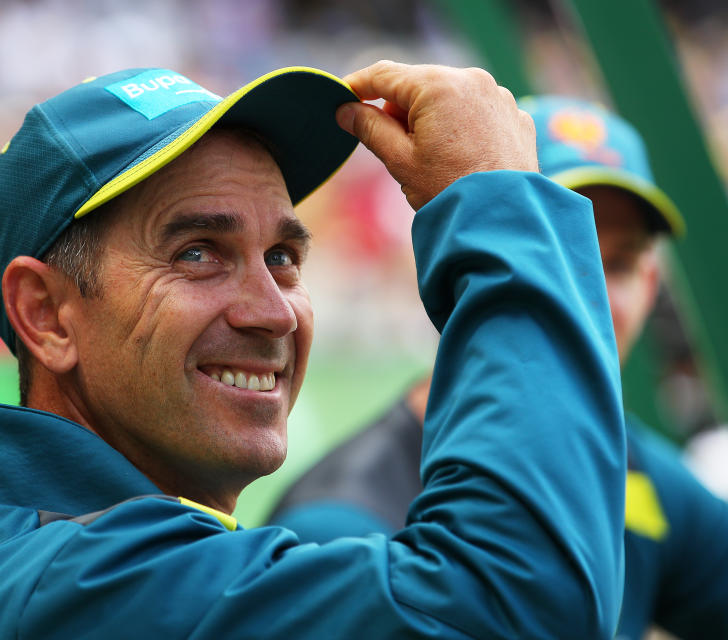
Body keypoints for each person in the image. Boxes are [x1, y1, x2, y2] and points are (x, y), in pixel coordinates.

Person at [0, 62, 627, 638]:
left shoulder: (45, 563)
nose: (273, 312)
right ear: (46, 317)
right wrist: (501, 207)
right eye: (199, 253)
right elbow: (523, 601)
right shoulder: (76, 582)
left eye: (283, 257)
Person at [269, 95, 728, 640]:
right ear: (470, 268)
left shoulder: (634, 465)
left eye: (621, 263)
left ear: (651, 286)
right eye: (560, 254)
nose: (597, 297)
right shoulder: (340, 527)